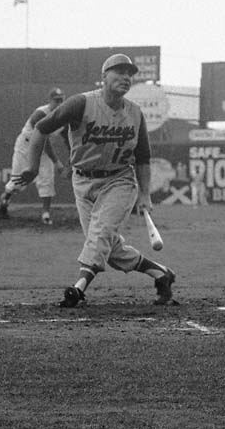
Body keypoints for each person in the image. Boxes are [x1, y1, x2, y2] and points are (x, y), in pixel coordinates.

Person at [18, 53, 177, 307]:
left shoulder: (135, 113)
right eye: (119, 71)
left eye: (129, 74)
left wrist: (145, 194)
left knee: (100, 234)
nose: (126, 77)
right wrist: (32, 166)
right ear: (104, 77)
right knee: (110, 249)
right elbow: (41, 129)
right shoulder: (80, 104)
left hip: (119, 180)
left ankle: (79, 287)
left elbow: (143, 157)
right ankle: (161, 274)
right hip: (82, 182)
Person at [0, 88, 68, 224]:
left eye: (61, 100)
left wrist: (72, 159)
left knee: (47, 180)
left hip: (43, 152)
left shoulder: (64, 117)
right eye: (56, 100)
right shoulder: (41, 114)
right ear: (50, 101)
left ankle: (46, 214)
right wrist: (57, 162)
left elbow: (68, 139)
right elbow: (43, 140)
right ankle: (6, 197)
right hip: (26, 147)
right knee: (18, 180)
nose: (59, 104)